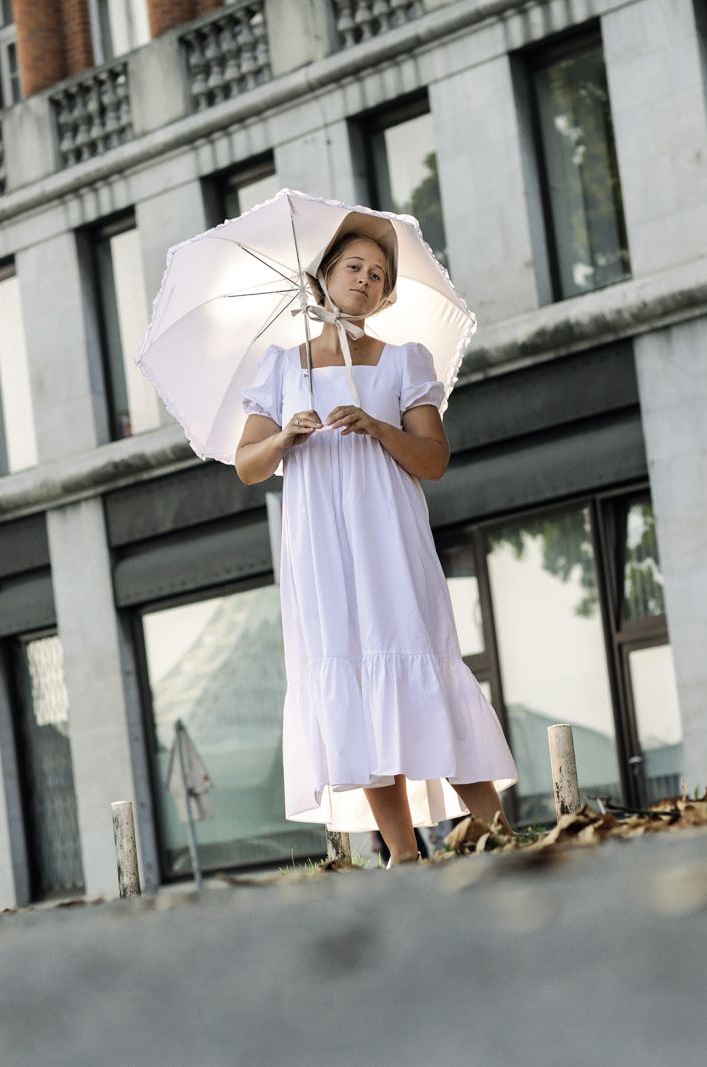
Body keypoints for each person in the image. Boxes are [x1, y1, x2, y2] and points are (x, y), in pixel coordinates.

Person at [233, 214, 518, 866]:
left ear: (386, 294)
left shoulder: (403, 360)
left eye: (378, 274)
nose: (365, 279)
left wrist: (375, 426)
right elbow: (248, 464)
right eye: (355, 267)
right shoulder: (281, 367)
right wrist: (285, 437)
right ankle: (403, 855)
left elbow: (433, 458)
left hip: (388, 537)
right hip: (318, 547)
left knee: (419, 662)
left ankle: (501, 836)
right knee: (351, 685)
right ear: (326, 275)